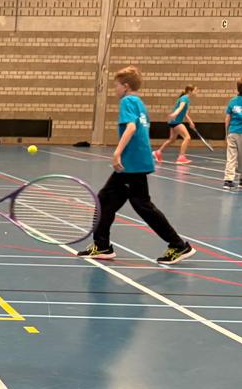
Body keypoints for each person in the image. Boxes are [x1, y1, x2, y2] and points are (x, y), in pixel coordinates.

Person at [76, 66, 195, 265]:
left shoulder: (127, 101)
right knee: (106, 200)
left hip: (131, 164)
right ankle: (102, 245)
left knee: (142, 206)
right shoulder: (139, 103)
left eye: (116, 86)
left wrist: (117, 152)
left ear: (125, 86)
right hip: (137, 161)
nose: (115, 89)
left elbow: (131, 127)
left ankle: (178, 245)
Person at [154, 85, 197, 163]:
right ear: (190, 91)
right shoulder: (185, 98)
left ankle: (158, 152)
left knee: (172, 139)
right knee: (187, 137)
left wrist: (190, 122)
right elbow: (180, 108)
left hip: (173, 121)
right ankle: (181, 157)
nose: (196, 92)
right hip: (176, 121)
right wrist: (175, 114)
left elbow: (185, 113)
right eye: (195, 90)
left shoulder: (185, 98)